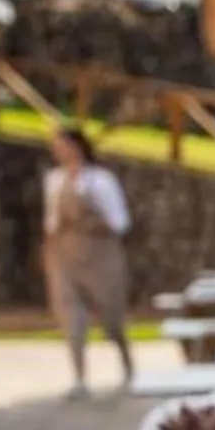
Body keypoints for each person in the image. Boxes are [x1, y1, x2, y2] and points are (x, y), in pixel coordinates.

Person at [43, 127, 133, 400]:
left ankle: (128, 367)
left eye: (63, 145)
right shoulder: (54, 180)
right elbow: (50, 222)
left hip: (100, 256)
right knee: (71, 316)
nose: (59, 151)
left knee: (111, 314)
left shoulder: (101, 181)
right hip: (65, 256)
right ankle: (79, 377)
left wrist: (94, 223)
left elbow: (120, 222)